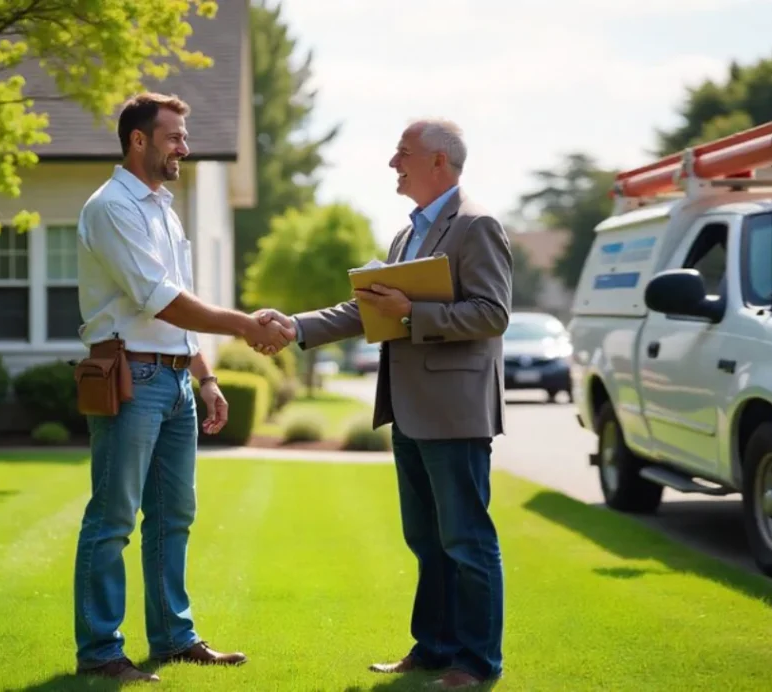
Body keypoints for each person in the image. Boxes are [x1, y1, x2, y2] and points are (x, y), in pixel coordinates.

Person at [255, 118, 513, 689]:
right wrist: (292, 326)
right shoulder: (405, 236)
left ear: (439, 162)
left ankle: (476, 663)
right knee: (425, 540)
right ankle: (433, 647)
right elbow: (365, 310)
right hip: (410, 409)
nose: (393, 163)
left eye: (403, 153)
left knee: (467, 541)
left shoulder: (477, 224)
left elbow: (493, 314)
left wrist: (409, 314)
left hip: (455, 412)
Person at [72, 91, 294, 683]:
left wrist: (207, 376)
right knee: (114, 516)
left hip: (172, 379)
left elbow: (179, 310)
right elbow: (161, 299)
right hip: (128, 376)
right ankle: (99, 651)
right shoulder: (112, 208)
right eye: (173, 136)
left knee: (174, 515)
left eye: (184, 137)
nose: (184, 147)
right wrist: (245, 324)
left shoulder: (165, 211)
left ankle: (173, 637)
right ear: (138, 140)